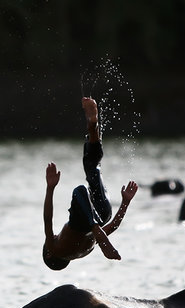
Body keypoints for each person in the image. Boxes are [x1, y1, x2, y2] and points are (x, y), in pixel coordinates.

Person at [43, 97, 138, 270]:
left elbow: (114, 226)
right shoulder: (54, 248)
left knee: (92, 166)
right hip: (93, 224)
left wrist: (125, 202)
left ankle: (93, 125)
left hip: (102, 213)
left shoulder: (86, 249)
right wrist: (50, 188)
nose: (54, 236)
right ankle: (97, 229)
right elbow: (47, 219)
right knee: (79, 191)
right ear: (49, 254)